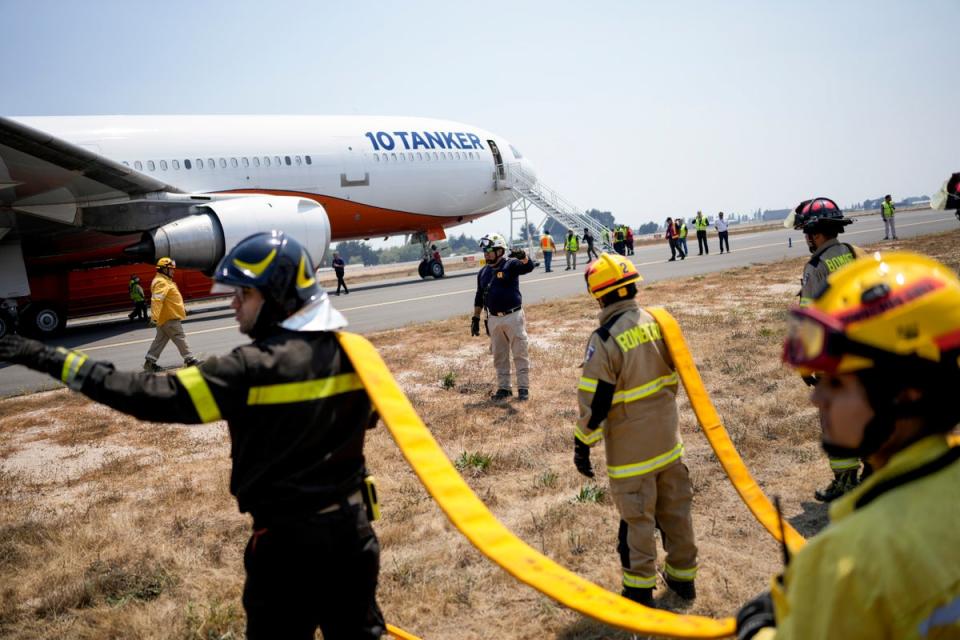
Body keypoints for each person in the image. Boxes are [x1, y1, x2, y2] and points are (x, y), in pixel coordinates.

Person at [0, 231, 386, 639]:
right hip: (352, 538)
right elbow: (372, 417)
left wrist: (51, 360)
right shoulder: (355, 354)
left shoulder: (246, 370)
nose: (232, 303)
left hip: (286, 549)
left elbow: (148, 396)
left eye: (244, 295)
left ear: (275, 296)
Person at [736, 251, 960, 640]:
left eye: (837, 384)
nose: (816, 399)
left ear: (906, 394)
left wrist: (759, 627)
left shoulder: (850, 563)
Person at [574, 253, 698, 606]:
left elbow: (596, 401)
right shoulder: (658, 322)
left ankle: (639, 593)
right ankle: (684, 581)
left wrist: (582, 443)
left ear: (599, 295)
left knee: (638, 522)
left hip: (632, 456)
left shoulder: (606, 338)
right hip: (670, 445)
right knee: (676, 514)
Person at [792, 197, 866, 501]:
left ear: (817, 233)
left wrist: (807, 367)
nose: (806, 239)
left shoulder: (816, 267)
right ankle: (874, 473)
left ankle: (846, 482)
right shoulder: (854, 253)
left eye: (807, 233)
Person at [471, 233, 535, 401]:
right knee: (500, 356)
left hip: (513, 316)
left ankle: (523, 388)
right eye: (485, 251)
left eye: (490, 250)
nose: (486, 254)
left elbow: (528, 267)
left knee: (519, 352)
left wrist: (523, 257)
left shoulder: (511, 264)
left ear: (500, 251)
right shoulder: (483, 272)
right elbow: (479, 296)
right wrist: (476, 318)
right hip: (493, 319)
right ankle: (504, 388)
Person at [144, 258, 199, 372]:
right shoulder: (161, 282)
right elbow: (157, 300)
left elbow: (170, 298)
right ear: (164, 269)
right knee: (179, 336)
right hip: (169, 318)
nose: (173, 271)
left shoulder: (164, 280)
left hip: (165, 318)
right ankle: (190, 360)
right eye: (171, 269)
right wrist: (154, 317)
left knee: (160, 341)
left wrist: (182, 309)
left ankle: (149, 363)